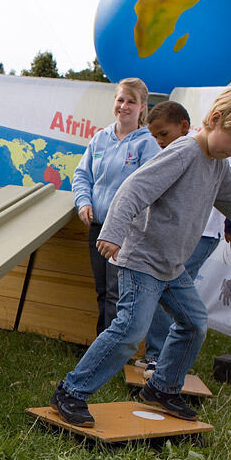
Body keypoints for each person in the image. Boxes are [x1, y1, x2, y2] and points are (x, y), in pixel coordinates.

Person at [51, 86, 231, 427]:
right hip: (143, 261)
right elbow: (133, 189)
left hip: (171, 267)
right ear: (216, 119)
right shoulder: (183, 153)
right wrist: (113, 232)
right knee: (129, 331)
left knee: (194, 324)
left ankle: (162, 388)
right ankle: (71, 392)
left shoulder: (217, 164)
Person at [138, 101, 231, 376]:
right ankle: (158, 358)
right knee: (171, 297)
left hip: (203, 233)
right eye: (155, 136)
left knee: (172, 295)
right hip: (180, 233)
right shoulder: (181, 150)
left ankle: (161, 360)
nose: (160, 141)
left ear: (184, 127)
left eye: (163, 134)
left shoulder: (213, 148)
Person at [72, 78, 161, 335]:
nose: (124, 106)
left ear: (142, 106)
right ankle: (100, 345)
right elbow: (81, 176)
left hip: (125, 232)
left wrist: (124, 224)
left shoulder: (147, 145)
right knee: (102, 290)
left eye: (131, 101)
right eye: (120, 99)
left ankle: (107, 352)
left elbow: (149, 190)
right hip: (97, 227)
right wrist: (83, 202)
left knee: (116, 293)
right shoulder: (100, 139)